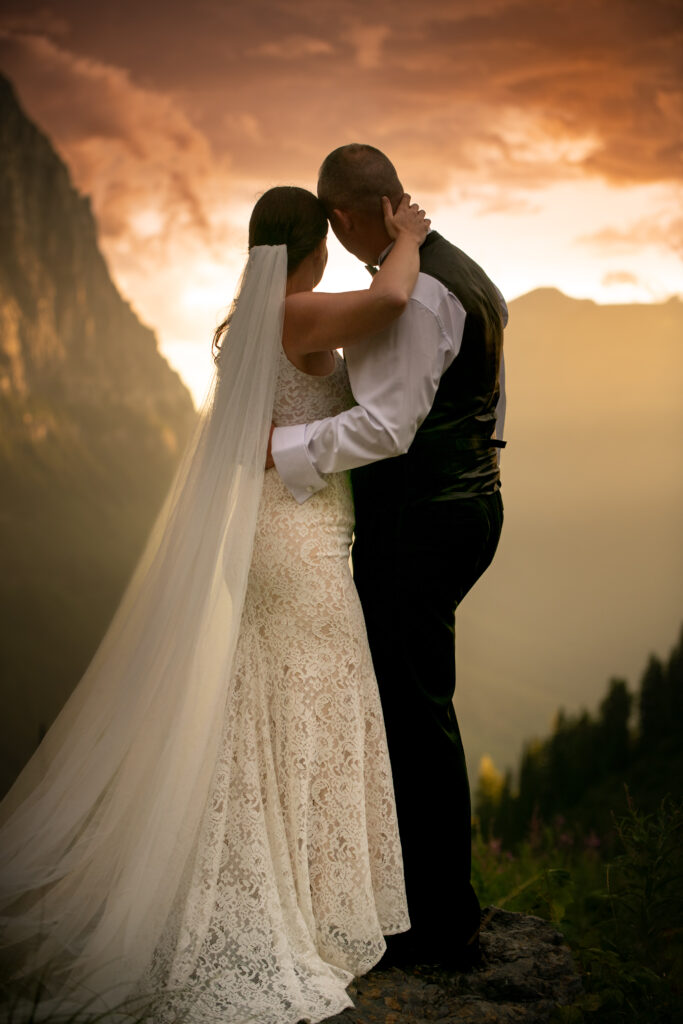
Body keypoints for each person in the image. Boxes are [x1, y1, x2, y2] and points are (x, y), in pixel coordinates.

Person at [0, 186, 430, 1023]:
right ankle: (298, 904)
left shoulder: (245, 324)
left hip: (264, 542)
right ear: (309, 248)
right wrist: (407, 235)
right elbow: (388, 298)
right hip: (300, 546)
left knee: (266, 706)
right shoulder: (296, 315)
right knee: (316, 700)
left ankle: (276, 882)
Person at [271, 145, 508, 970]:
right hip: (471, 502)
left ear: (340, 217)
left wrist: (285, 448)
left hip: (420, 521)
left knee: (411, 717)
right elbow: (478, 398)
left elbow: (386, 429)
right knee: (415, 707)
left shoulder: (411, 297)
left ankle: (439, 923)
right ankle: (422, 904)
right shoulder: (464, 271)